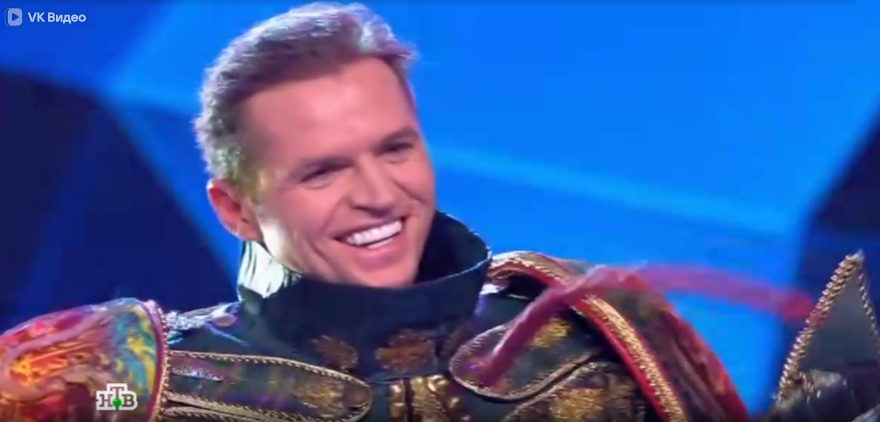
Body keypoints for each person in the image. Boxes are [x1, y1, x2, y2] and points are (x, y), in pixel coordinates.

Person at [0, 3, 874, 422]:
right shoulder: (120, 382)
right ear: (235, 209)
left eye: (394, 149)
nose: (379, 194)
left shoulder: (603, 337)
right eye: (322, 171)